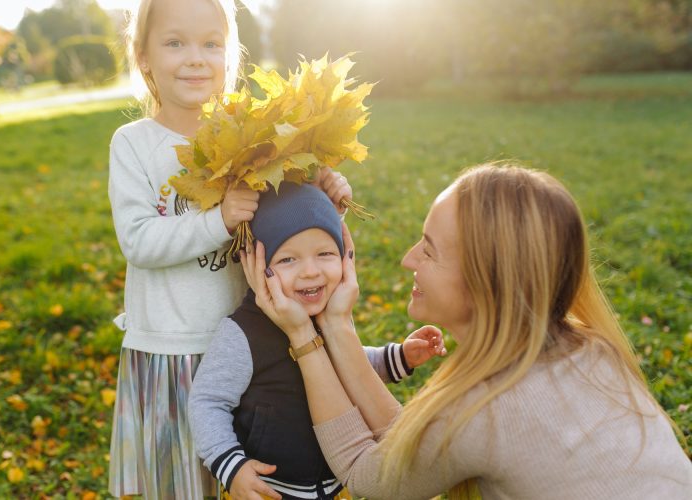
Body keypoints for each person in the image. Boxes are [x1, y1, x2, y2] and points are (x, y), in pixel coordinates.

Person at [243, 164, 692, 499]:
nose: (407, 258)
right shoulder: (592, 349)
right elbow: (413, 443)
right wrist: (336, 323)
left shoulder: (488, 407)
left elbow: (366, 472)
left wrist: (302, 336)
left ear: (484, 283)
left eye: (429, 251)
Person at [105, 0, 353, 497]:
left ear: (230, 56)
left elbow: (286, 231)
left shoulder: (253, 140)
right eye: (175, 43)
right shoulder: (134, 143)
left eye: (211, 44)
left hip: (252, 346)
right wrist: (218, 220)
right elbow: (138, 240)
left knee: (248, 474)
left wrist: (324, 199)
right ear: (144, 56)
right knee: (182, 485)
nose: (195, 58)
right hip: (174, 349)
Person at [188, 182, 447, 500]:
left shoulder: (329, 313)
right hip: (273, 489)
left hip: (336, 483)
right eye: (287, 260)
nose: (310, 272)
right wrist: (231, 465)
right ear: (257, 265)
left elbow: (346, 367)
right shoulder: (243, 332)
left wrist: (397, 358)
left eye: (325, 254)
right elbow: (208, 402)